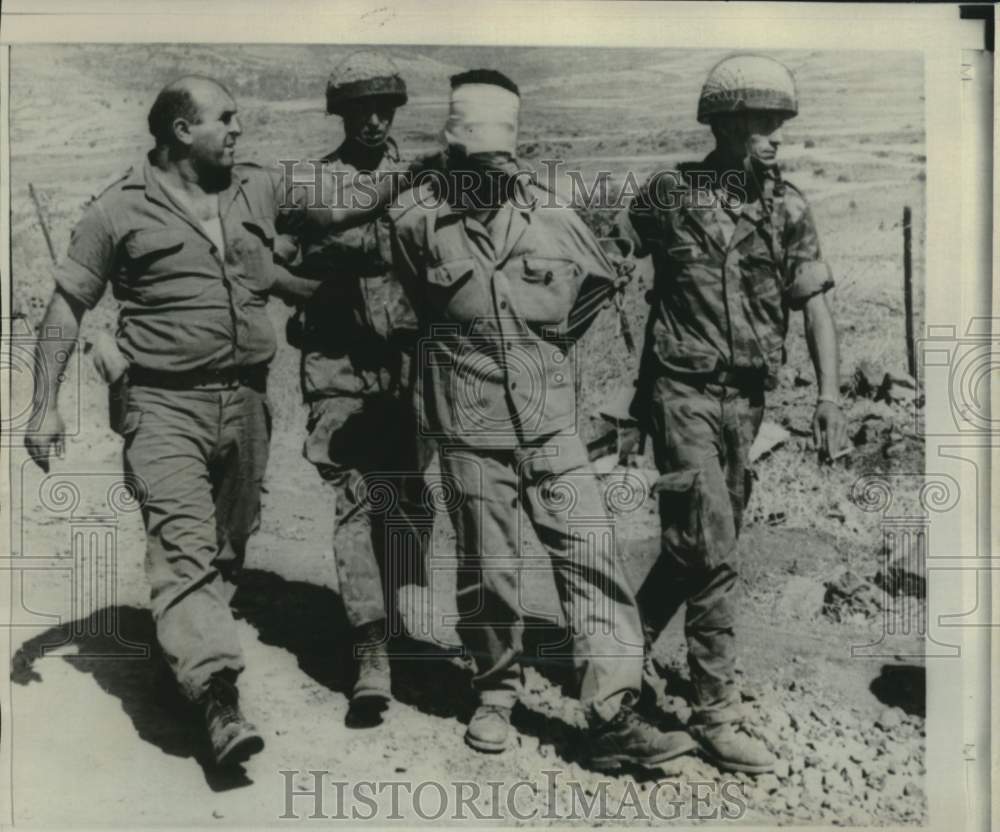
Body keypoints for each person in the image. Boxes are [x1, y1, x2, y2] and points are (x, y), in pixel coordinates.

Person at [23, 75, 421, 767]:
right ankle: (216, 695)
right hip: (162, 403)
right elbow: (66, 306)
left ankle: (187, 635)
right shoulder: (117, 209)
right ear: (182, 130)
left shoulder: (256, 187)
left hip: (246, 404)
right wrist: (43, 404)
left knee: (228, 541)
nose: (238, 129)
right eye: (226, 119)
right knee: (183, 547)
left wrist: (417, 176)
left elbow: (335, 208)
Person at [390, 68, 696, 772]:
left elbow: (599, 284)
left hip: (551, 424)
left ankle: (613, 711)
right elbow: (415, 306)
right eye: (476, 165)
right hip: (470, 427)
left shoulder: (552, 214)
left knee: (589, 554)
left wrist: (547, 349)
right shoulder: (416, 222)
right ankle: (495, 691)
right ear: (452, 154)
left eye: (501, 163)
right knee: (488, 569)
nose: (491, 178)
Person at [619, 54, 848, 774]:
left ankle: (617, 648)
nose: (776, 136)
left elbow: (815, 305)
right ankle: (715, 712)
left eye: (780, 123)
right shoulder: (668, 197)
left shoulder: (787, 208)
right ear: (722, 125)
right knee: (714, 549)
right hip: (679, 394)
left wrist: (829, 397)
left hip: (746, 403)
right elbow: (607, 265)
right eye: (761, 123)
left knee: (694, 544)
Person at [277, 51, 432, 724]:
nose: (374, 121)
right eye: (360, 110)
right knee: (357, 500)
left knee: (408, 499)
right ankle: (369, 648)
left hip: (407, 368)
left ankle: (392, 619)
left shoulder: (423, 185)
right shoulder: (312, 184)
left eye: (384, 109)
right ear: (340, 114)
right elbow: (286, 260)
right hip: (339, 365)